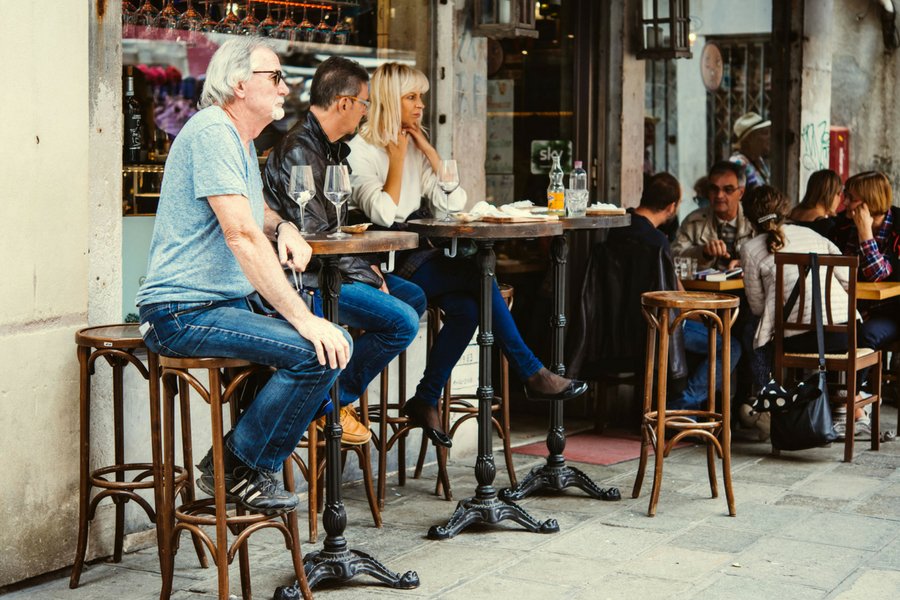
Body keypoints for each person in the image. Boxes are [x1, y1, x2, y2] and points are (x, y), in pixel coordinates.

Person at [136, 38, 352, 513]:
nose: (286, 85)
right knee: (319, 349)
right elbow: (241, 235)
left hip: (222, 303)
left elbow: (257, 216)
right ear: (239, 84)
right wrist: (302, 319)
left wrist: (286, 226)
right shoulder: (213, 132)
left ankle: (252, 457)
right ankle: (239, 464)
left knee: (340, 338)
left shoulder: (237, 137)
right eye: (274, 76)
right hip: (181, 311)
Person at [346, 62, 587, 447]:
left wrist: (425, 149)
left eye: (421, 97)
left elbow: (454, 201)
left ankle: (425, 399)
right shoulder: (360, 152)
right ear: (391, 101)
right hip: (384, 268)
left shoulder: (413, 149)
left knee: (472, 308)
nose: (420, 105)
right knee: (479, 275)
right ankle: (531, 373)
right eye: (411, 97)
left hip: (417, 258)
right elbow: (383, 214)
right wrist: (394, 159)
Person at [262, 56, 426, 446]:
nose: (367, 112)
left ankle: (330, 391)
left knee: (412, 295)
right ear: (344, 103)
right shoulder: (301, 149)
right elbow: (315, 235)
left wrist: (368, 269)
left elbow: (331, 231)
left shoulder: (330, 148)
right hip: (306, 282)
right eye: (365, 103)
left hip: (330, 272)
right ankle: (330, 402)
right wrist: (368, 274)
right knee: (402, 322)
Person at [740, 185, 869, 438]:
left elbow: (756, 308)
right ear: (785, 210)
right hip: (847, 332)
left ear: (748, 217)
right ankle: (843, 405)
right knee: (762, 337)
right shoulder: (814, 237)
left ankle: (770, 407)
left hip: (801, 338)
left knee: (753, 339)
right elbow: (848, 280)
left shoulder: (750, 248)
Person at [609, 173, 741, 414]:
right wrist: (706, 317)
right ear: (671, 207)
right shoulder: (657, 242)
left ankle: (679, 405)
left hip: (618, 325)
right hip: (656, 325)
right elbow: (676, 300)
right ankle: (680, 408)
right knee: (730, 345)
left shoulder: (616, 230)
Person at [832, 170, 900, 351]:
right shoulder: (842, 226)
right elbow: (837, 272)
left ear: (870, 202)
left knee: (864, 335)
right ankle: (826, 379)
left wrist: (865, 233)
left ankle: (857, 380)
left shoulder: (898, 227)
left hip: (892, 312)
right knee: (830, 332)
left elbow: (877, 274)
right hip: (850, 309)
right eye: (845, 195)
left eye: (851, 198)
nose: (844, 202)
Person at [672, 161, 755, 271]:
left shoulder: (754, 221)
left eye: (728, 190)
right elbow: (674, 257)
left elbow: (771, 259)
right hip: (703, 288)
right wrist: (703, 253)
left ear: (740, 193)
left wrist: (744, 264)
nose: (719, 195)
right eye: (714, 189)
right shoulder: (694, 222)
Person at [789, 169, 843, 238]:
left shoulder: (791, 213)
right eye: (838, 194)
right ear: (828, 195)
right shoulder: (826, 227)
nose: (840, 199)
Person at [729, 112, 771, 189]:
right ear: (750, 138)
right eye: (764, 133)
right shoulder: (738, 163)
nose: (769, 137)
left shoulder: (759, 160)